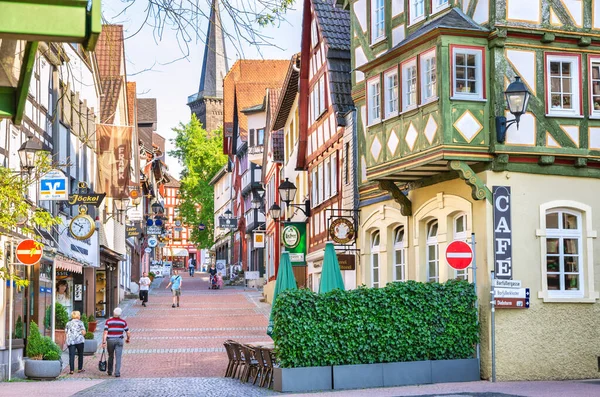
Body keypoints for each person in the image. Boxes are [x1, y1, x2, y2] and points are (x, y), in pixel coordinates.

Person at [101, 307, 130, 377]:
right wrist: (128, 339)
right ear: (120, 314)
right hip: (119, 340)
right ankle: (117, 373)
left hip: (110, 340)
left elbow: (105, 332)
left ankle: (110, 371)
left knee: (110, 355)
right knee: (118, 357)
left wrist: (104, 342)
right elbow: (128, 332)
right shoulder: (123, 322)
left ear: (114, 313)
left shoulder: (108, 321)